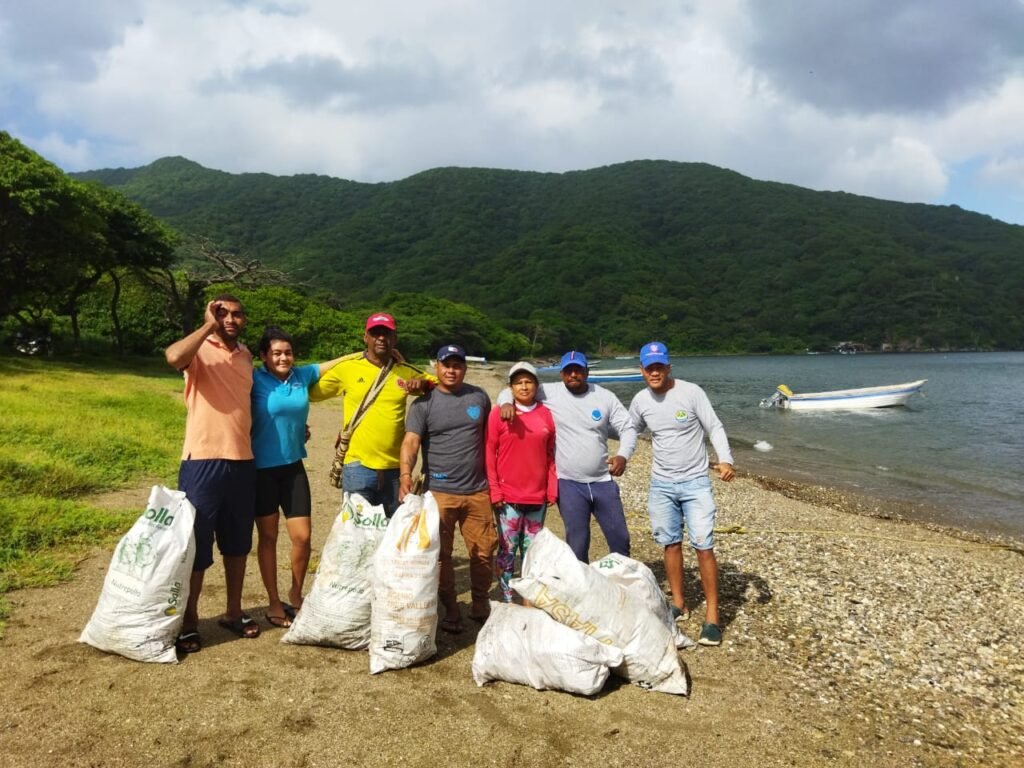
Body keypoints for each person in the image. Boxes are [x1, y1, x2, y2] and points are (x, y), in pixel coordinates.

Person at [164, 295, 259, 653]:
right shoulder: (199, 350)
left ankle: (233, 611)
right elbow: (173, 356)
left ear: (244, 319)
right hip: (201, 461)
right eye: (223, 313)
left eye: (236, 314)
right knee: (197, 544)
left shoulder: (247, 356)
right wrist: (208, 325)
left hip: (242, 461)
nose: (230, 319)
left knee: (238, 543)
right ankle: (190, 621)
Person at [627, 341, 735, 647]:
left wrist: (726, 460)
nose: (655, 372)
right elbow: (629, 430)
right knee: (670, 544)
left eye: (659, 367)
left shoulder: (691, 392)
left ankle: (712, 617)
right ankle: (678, 603)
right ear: (642, 370)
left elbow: (714, 426)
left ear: (668, 367)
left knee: (704, 546)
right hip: (661, 484)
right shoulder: (640, 400)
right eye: (649, 368)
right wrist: (614, 452)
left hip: (695, 482)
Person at [499, 350, 637, 563]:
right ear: (562, 374)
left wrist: (623, 456)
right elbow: (512, 389)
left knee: (620, 537)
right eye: (568, 371)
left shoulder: (605, 396)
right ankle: (580, 580)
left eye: (578, 370)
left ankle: (622, 578)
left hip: (602, 480)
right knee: (577, 541)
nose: (573, 375)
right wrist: (506, 403)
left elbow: (627, 427)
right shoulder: (548, 393)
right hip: (568, 483)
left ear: (587, 372)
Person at [250, 326, 346, 628]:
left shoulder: (301, 376)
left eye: (288, 353)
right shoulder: (253, 379)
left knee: (303, 537)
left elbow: (337, 363)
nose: (283, 358)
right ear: (264, 356)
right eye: (276, 353)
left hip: (293, 467)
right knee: (268, 537)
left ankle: (295, 594)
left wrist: (369, 353)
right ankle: (273, 601)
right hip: (262, 470)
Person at [399, 344, 496, 633]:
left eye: (457, 365)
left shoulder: (479, 397)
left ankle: (480, 603)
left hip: (477, 490)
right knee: (440, 556)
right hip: (438, 492)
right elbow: (411, 441)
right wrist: (405, 474)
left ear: (464, 368)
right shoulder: (423, 404)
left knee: (483, 552)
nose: (451, 370)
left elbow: (492, 438)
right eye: (446, 365)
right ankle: (450, 607)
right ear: (436, 367)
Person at [309, 312, 434, 516]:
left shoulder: (405, 371)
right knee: (355, 529)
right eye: (375, 333)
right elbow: (307, 392)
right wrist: (346, 357)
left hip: (396, 468)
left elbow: (442, 385)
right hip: (357, 466)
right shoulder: (347, 368)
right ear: (365, 337)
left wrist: (424, 385)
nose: (381, 338)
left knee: (394, 530)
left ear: (395, 339)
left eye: (387, 333)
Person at [485, 362, 558, 603]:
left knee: (532, 551)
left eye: (528, 382)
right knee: (507, 551)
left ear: (537, 385)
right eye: (518, 383)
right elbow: (489, 452)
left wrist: (551, 488)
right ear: (510, 387)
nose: (524, 387)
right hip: (508, 498)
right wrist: (495, 490)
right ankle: (507, 597)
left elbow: (550, 455)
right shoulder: (499, 413)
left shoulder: (546, 414)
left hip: (537, 497)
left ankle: (529, 599)